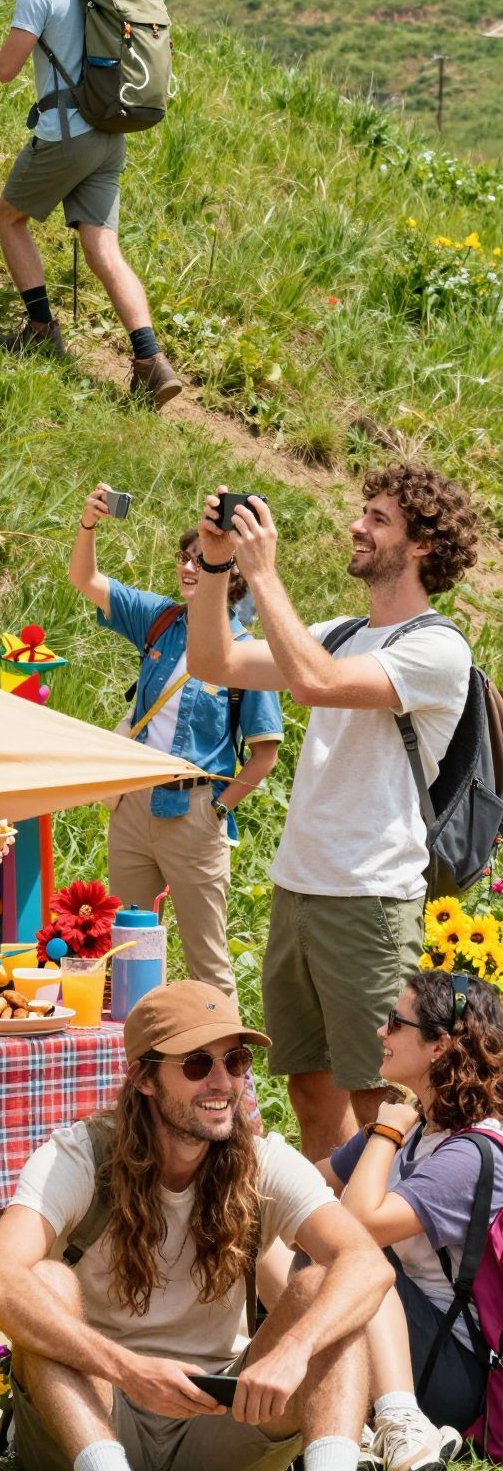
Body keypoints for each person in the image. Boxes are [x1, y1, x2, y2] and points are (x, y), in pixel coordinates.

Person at [0, 982, 391, 1471]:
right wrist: (128, 1369)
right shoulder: (82, 1154)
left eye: (236, 1062)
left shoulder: (261, 1159)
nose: (223, 1082)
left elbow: (366, 1262)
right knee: (42, 1282)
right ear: (144, 1078)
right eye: (198, 1064)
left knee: (329, 1290)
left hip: (223, 1420)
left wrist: (295, 1350)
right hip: (93, 1418)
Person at [187, 463, 478, 1159]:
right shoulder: (343, 631)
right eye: (364, 511)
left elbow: (315, 684)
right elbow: (213, 660)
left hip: (369, 902)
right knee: (313, 1095)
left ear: (424, 547)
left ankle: (388, 1254)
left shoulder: (439, 648)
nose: (357, 524)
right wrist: (215, 563)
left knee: (381, 1103)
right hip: (298, 890)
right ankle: (335, 1248)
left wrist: (263, 573)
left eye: (379, 518)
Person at [0, 0, 181, 406]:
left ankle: (40, 328)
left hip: (67, 135)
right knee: (104, 248)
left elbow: (5, 67)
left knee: (9, 218)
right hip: (110, 135)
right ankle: (151, 360)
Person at [70, 490, 282, 1000]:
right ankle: (134, 1064)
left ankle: (228, 1072)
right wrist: (88, 524)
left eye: (201, 559)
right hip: (134, 803)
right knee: (124, 946)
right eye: (184, 557)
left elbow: (265, 754)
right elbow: (86, 580)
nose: (189, 567)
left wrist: (215, 810)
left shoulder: (247, 654)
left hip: (194, 813)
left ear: (229, 575)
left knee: (205, 956)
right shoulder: (160, 619)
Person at [322, 966, 503, 1471]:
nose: (382, 1032)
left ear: (439, 1046)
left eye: (394, 1022)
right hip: (400, 1339)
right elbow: (304, 1186)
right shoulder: (415, 1121)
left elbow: (358, 1225)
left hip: (450, 1373)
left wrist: (382, 1134)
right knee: (289, 1235)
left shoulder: (469, 1153)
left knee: (352, 1253)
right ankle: (347, 1414)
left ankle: (400, 1423)